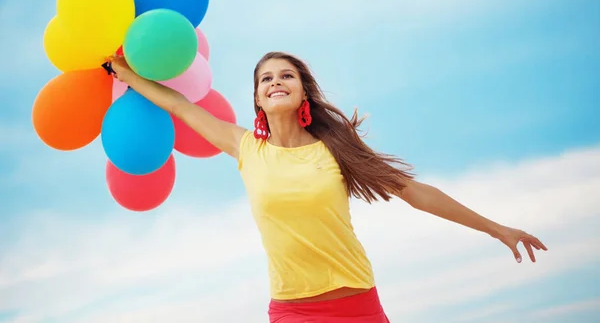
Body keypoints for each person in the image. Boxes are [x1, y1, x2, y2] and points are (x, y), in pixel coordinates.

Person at [110, 51, 548, 323]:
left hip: (358, 305)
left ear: (303, 93)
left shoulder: (334, 149)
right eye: (266, 79)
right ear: (258, 100)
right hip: (293, 310)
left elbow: (415, 192)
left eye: (286, 76)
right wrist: (126, 73)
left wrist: (498, 229)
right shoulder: (245, 148)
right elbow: (181, 106)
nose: (276, 82)